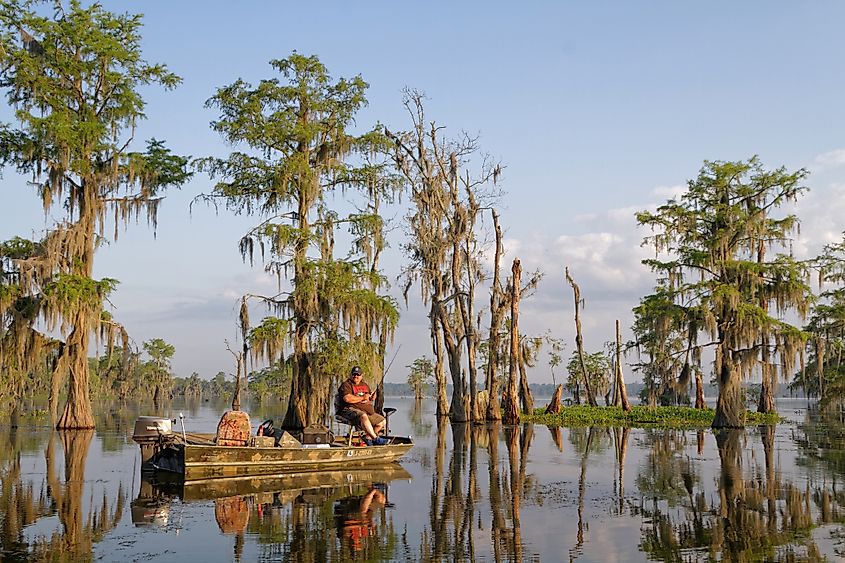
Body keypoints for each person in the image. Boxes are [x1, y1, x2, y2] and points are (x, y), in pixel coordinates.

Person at [336, 366, 389, 446]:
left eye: (358, 374)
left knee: (382, 421)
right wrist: (363, 398)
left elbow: (368, 398)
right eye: (354, 374)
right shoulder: (346, 385)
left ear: (361, 376)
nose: (356, 376)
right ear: (351, 375)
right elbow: (347, 399)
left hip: (366, 411)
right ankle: (376, 439)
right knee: (363, 416)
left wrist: (372, 398)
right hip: (349, 410)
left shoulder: (365, 385)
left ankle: (368, 438)